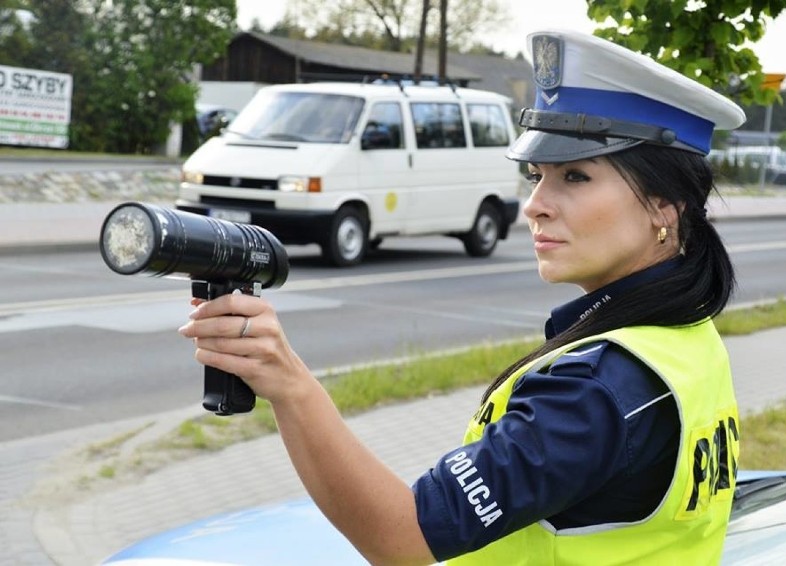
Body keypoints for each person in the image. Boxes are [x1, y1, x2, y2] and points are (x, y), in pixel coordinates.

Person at [179, 29, 744, 565]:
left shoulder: (592, 393)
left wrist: (289, 385)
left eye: (575, 177)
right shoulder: (683, 338)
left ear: (664, 208)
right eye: (536, 176)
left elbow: (402, 538)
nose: (535, 205)